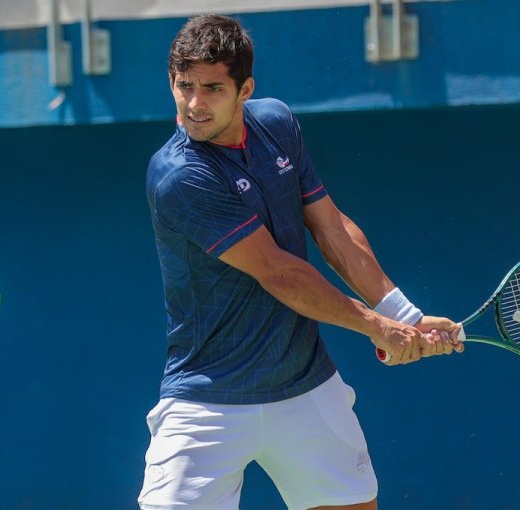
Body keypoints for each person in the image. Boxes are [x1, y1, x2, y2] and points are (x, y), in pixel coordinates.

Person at [138, 14, 462, 510]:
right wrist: (377, 328)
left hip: (305, 385)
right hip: (207, 399)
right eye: (184, 87)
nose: (195, 104)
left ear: (246, 89)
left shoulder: (276, 124)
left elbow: (330, 226)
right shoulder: (178, 175)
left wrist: (402, 315)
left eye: (212, 88)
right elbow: (280, 274)